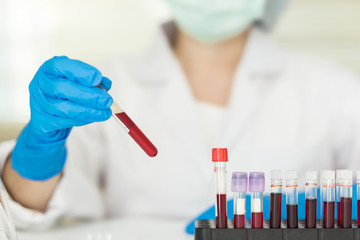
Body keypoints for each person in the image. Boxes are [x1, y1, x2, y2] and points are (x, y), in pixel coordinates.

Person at [0, 0, 360, 233]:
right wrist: (38, 148)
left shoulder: (334, 88)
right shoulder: (104, 86)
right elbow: (27, 214)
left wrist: (300, 211)